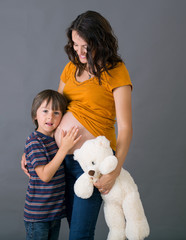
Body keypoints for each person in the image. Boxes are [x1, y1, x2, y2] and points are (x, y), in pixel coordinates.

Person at [22, 11, 133, 239]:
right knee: (71, 228)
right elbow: (53, 113)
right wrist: (31, 151)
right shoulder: (70, 68)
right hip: (60, 161)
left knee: (80, 234)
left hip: (91, 165)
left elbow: (125, 126)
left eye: (86, 46)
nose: (79, 52)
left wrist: (115, 169)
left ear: (100, 42)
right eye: (75, 44)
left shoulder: (116, 71)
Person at [23, 89, 81, 240]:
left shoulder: (55, 140)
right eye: (45, 111)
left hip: (53, 214)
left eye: (56, 112)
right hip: (38, 216)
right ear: (35, 115)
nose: (50, 116)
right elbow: (45, 176)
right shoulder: (34, 141)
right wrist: (64, 149)